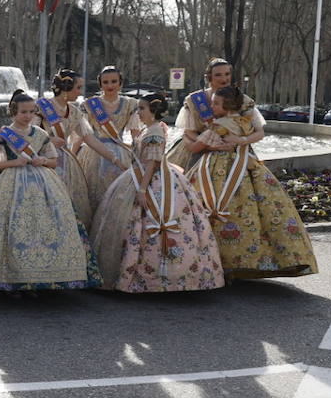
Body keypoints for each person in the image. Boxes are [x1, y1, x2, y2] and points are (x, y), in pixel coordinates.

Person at [89, 93, 224, 292]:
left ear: (153, 110)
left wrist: (142, 189)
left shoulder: (154, 132)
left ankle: (157, 278)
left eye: (142, 108)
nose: (138, 112)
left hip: (152, 180)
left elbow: (152, 163)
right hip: (141, 175)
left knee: (147, 221)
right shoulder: (150, 129)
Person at [187, 85, 317, 279]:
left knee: (208, 205)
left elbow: (195, 148)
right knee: (257, 208)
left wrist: (186, 136)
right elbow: (258, 134)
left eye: (216, 103)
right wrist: (242, 141)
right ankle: (255, 259)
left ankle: (217, 260)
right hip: (246, 164)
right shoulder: (244, 122)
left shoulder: (217, 126)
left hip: (216, 169)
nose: (212, 106)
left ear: (227, 105)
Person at [0, 90, 98, 292]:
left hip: (44, 184)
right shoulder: (3, 136)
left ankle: (42, 279)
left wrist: (42, 160)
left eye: (30, 112)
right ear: (13, 112)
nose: (27, 116)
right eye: (23, 112)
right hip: (10, 185)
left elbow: (53, 161)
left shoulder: (42, 135)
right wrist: (14, 162)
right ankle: (12, 280)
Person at [167, 57, 266, 170]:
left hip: (235, 152)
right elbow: (189, 131)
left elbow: (260, 133)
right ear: (209, 77)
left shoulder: (244, 101)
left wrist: (241, 140)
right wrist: (209, 143)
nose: (224, 79)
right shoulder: (194, 100)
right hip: (200, 151)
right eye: (218, 75)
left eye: (227, 74)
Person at [77, 66, 142, 209]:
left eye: (114, 81)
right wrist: (73, 154)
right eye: (105, 82)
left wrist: (138, 154)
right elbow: (82, 134)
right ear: (100, 84)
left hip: (121, 151)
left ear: (120, 83)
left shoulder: (131, 104)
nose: (110, 85)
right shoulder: (89, 104)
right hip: (94, 151)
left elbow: (135, 133)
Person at [34, 69, 93, 225]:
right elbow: (28, 134)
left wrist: (114, 158)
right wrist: (49, 140)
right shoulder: (41, 107)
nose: (80, 92)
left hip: (66, 162)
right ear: (67, 88)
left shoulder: (74, 112)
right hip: (43, 159)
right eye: (78, 87)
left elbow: (89, 139)